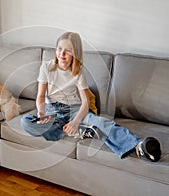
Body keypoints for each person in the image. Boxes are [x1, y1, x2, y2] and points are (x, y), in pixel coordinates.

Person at [20, 32, 161, 162]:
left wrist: (75, 122)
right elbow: (40, 97)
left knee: (102, 123)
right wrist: (41, 114)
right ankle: (77, 131)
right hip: (53, 111)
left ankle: (138, 146)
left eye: (67, 51)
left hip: (75, 109)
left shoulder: (78, 71)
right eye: (59, 49)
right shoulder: (46, 67)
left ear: (75, 53)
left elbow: (86, 102)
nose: (61, 54)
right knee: (26, 122)